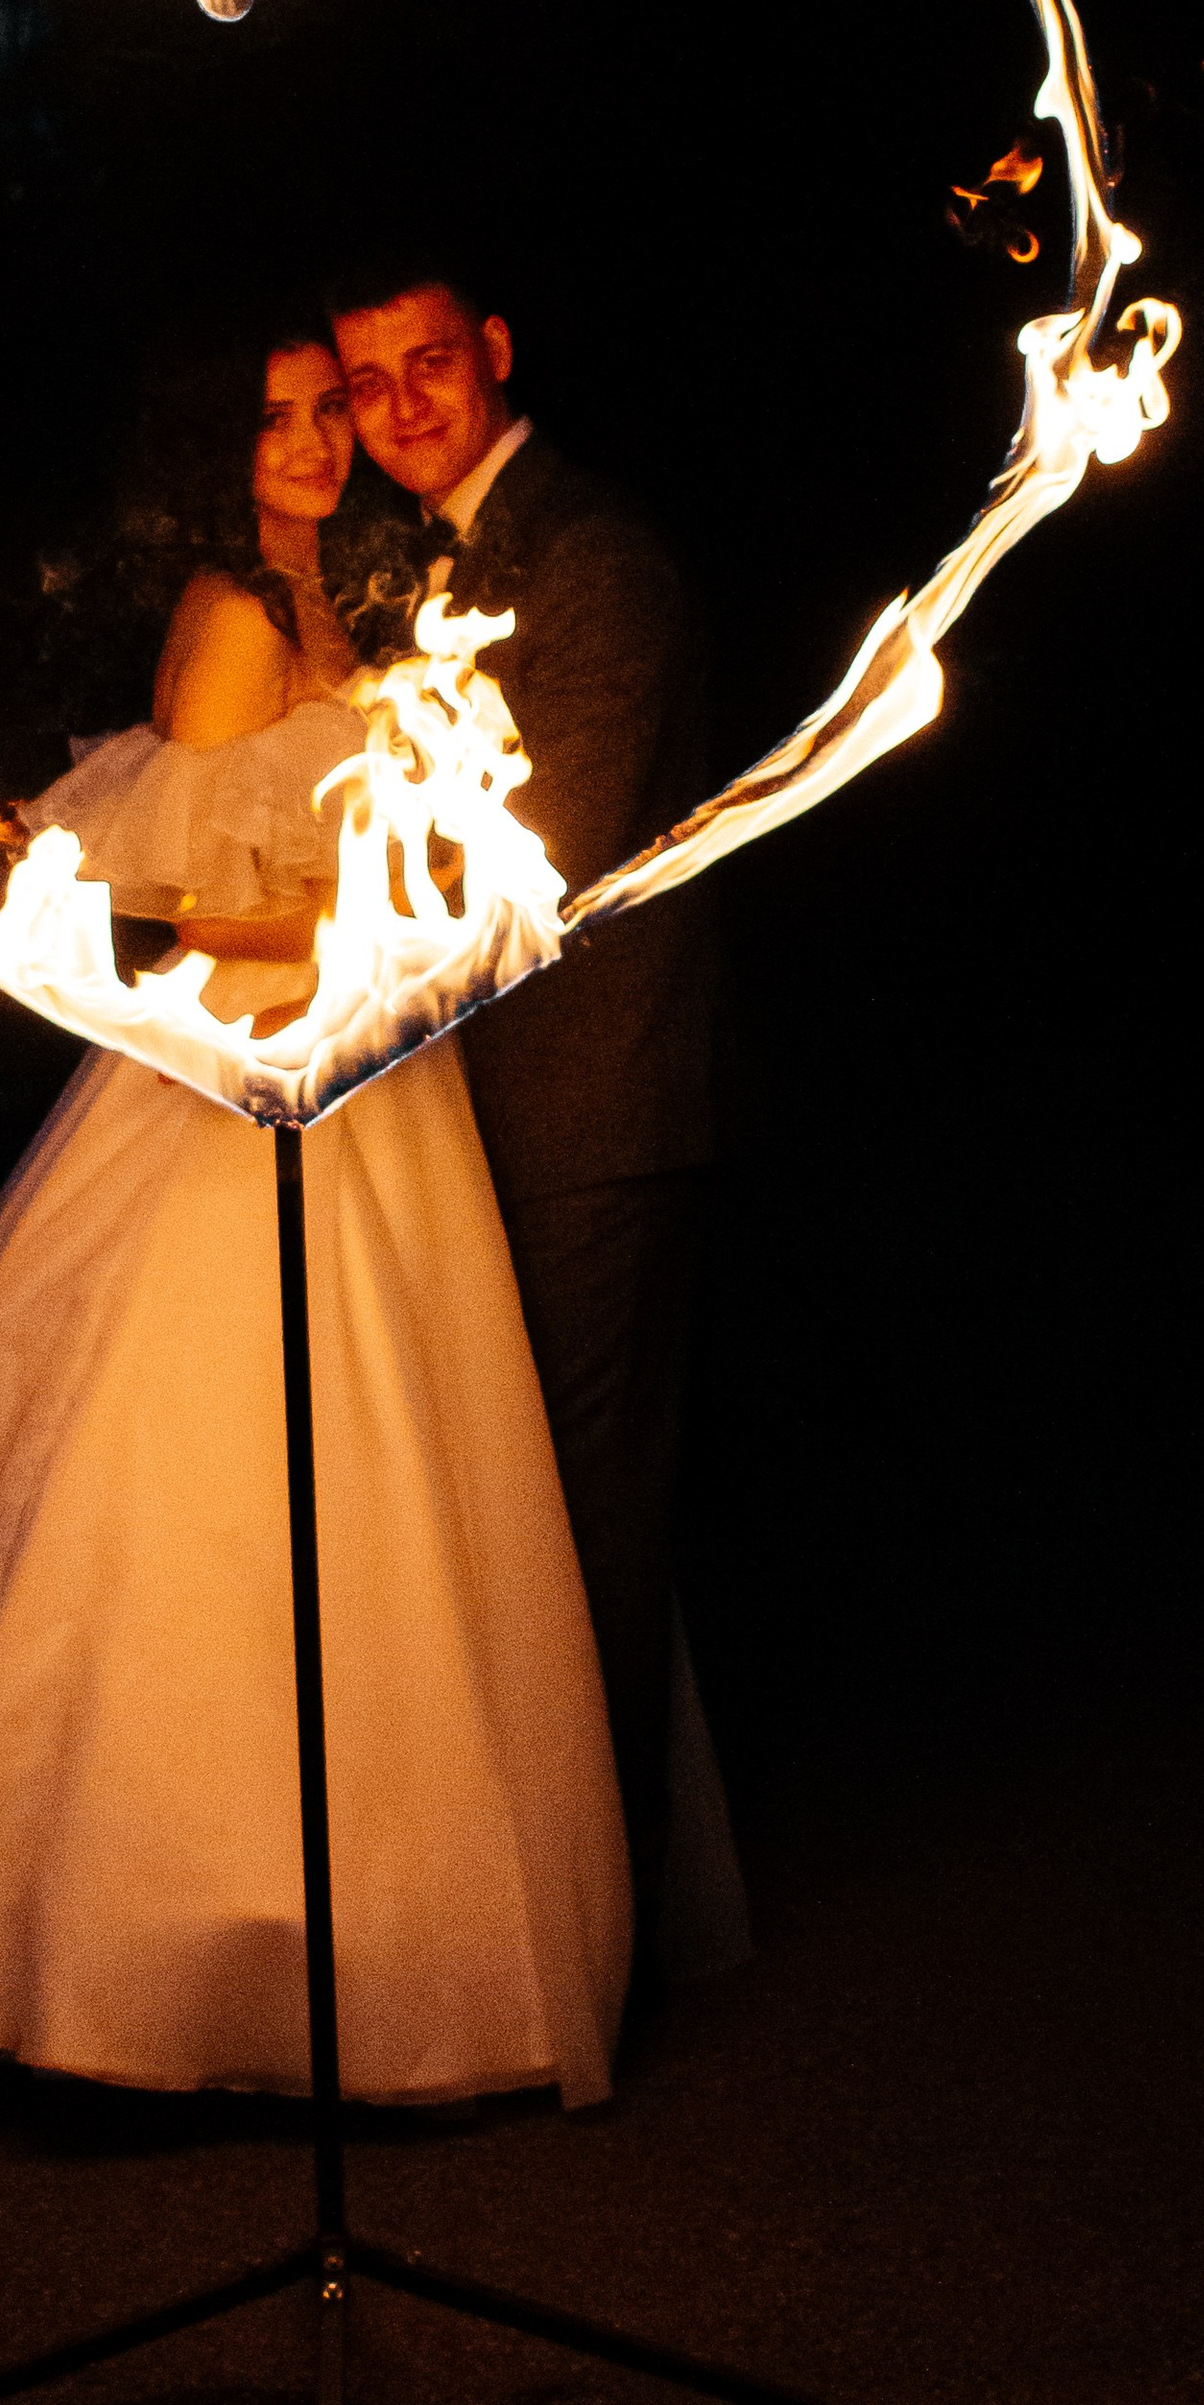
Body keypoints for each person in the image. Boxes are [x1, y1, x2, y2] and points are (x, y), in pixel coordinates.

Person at [0, 312, 669, 2108]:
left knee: (399, 1492)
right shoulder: (237, 615)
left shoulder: (334, 604)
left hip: (374, 1078)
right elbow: (195, 909)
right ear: (213, 447)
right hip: (259, 1067)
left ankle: (387, 1942)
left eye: (328, 408)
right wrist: (395, 913)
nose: (319, 439)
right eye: (277, 417)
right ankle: (110, 1958)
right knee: (203, 1484)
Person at [328, 257, 715, 1956]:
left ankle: (599, 1938)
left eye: (428, 363)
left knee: (587, 1523)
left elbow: (546, 851)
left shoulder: (593, 554)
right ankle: (519, 1913)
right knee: (503, 1517)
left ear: (493, 349)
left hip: (589, 1106)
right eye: (368, 383)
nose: (402, 407)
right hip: (464, 1110)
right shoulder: (409, 562)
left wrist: (306, 898)